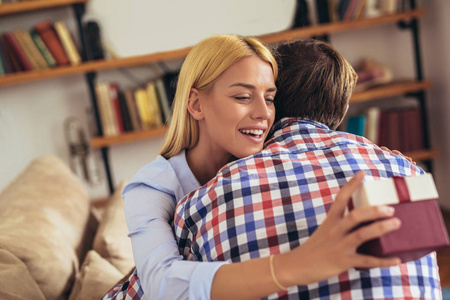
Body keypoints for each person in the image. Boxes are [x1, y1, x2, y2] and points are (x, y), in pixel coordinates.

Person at [103, 35, 403, 300]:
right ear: (195, 104)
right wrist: (298, 264)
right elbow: (161, 286)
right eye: (243, 97)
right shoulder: (152, 186)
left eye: (270, 98)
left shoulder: (267, 165)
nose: (263, 113)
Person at [174, 39, 442, 299]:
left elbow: (155, 288)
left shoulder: (201, 203)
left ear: (272, 101)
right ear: (343, 109)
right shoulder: (406, 173)